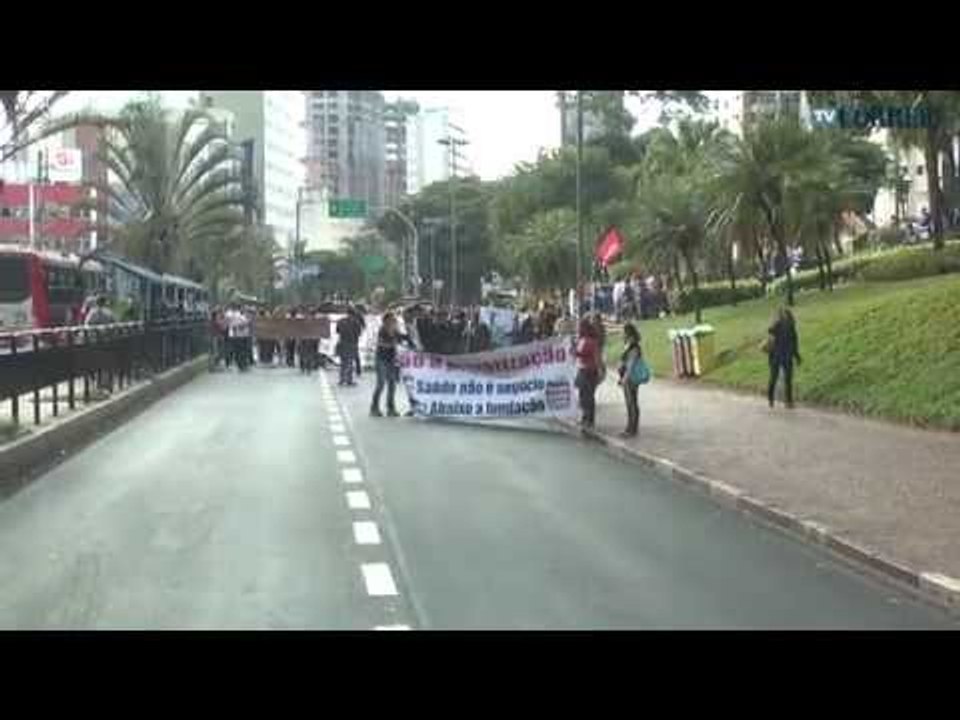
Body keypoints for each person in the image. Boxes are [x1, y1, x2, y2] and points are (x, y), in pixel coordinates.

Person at [766, 307, 801, 409]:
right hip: (786, 357)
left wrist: (774, 322)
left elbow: (770, 331)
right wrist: (797, 357)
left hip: (775, 357)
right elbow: (795, 344)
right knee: (787, 380)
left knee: (774, 377)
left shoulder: (778, 325)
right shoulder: (791, 327)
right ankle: (788, 402)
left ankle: (771, 398)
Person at [371, 312, 404, 417]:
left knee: (392, 385)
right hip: (381, 359)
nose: (393, 322)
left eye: (394, 320)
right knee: (380, 384)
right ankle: (374, 408)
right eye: (391, 320)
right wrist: (391, 345)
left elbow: (403, 339)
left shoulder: (396, 331)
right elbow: (380, 344)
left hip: (391, 360)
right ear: (385, 321)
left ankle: (391, 408)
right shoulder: (382, 330)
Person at [574, 317, 601, 430]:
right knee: (582, 396)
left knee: (588, 396)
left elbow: (596, 356)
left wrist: (599, 370)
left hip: (589, 370)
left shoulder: (590, 341)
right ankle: (585, 417)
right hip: (581, 369)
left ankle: (590, 419)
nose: (577, 329)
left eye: (579, 327)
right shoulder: (580, 340)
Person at [617, 323, 643, 438]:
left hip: (630, 379)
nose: (621, 334)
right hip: (626, 378)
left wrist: (624, 378)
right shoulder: (627, 345)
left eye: (623, 332)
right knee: (629, 403)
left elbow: (631, 364)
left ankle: (632, 429)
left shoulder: (634, 347)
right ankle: (630, 427)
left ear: (628, 333)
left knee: (632, 403)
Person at [336, 310, 361, 386]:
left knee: (343, 363)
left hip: (342, 343)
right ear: (353, 314)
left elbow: (337, 331)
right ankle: (349, 380)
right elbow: (359, 333)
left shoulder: (341, 321)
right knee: (350, 362)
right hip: (352, 344)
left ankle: (342, 379)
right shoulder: (356, 322)